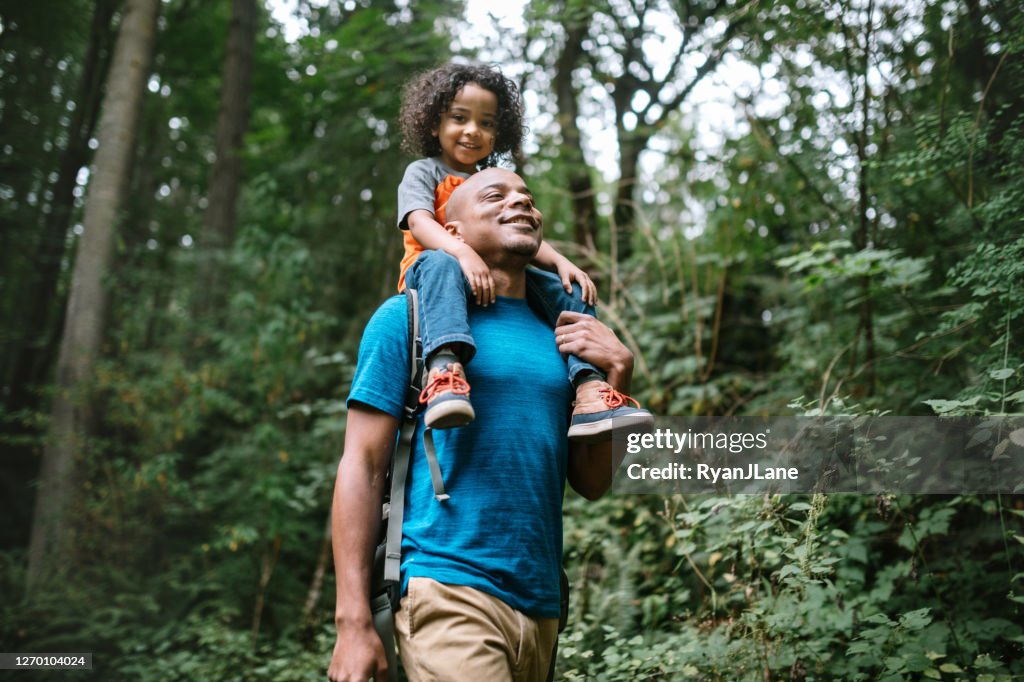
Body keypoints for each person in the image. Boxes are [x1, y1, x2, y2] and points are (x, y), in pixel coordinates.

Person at [327, 168, 643, 681]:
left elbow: (590, 483)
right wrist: (352, 620)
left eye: (528, 197)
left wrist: (618, 376)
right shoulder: (406, 320)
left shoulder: (564, 335)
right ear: (452, 233)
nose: (521, 203)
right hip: (445, 585)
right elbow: (360, 466)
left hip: (542, 606)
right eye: (495, 195)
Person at [395, 62, 650, 439]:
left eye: (486, 123)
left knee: (569, 290)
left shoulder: (492, 179)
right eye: (459, 118)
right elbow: (419, 222)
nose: (472, 131)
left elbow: (520, 236)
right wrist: (461, 252)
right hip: (434, 273)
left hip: (494, 275)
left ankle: (589, 390)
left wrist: (562, 263)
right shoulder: (424, 172)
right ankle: (445, 369)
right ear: (434, 124)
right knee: (439, 262)